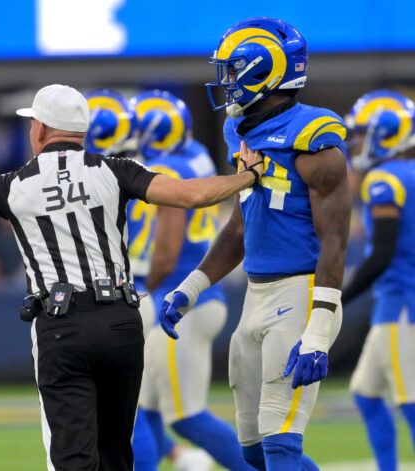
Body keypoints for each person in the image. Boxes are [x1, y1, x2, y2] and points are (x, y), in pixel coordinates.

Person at [0, 83, 265, 470]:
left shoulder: (11, 185)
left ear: (39, 130)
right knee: (115, 453)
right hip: (121, 322)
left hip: (62, 325)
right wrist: (246, 177)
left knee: (73, 457)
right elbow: (192, 194)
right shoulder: (115, 169)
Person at [160, 17, 351, 470]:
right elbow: (241, 228)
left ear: (264, 72)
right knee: (253, 453)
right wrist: (190, 288)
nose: (225, 82)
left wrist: (319, 333)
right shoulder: (240, 133)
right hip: (257, 294)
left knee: (281, 443)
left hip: (302, 291)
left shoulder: (315, 141)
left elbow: (335, 241)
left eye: (232, 71)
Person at [85, 89, 215, 471]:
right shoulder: (184, 160)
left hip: (130, 289)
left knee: (126, 407)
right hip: (143, 288)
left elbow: (164, 247)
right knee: (137, 403)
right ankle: (175, 455)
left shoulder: (109, 174)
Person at [126, 90, 253, 471]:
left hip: (179, 297)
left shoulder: (167, 169)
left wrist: (144, 289)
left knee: (185, 416)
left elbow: (165, 249)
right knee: (142, 410)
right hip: (197, 292)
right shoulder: (193, 153)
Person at [342, 90, 415, 471]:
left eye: (363, 132)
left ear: (385, 133)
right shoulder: (407, 172)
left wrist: (338, 297)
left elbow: (382, 254)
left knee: (410, 399)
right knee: (367, 394)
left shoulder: (385, 178)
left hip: (401, 301)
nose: (355, 141)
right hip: (400, 297)